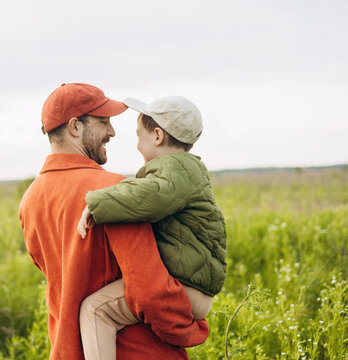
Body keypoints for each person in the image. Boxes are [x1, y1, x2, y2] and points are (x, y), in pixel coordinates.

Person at [19, 83, 209, 360]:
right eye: (103, 122)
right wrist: (190, 329)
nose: (112, 131)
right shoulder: (115, 192)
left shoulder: (30, 200)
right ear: (75, 127)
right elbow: (149, 290)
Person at [76, 95, 227, 360]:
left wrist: (97, 204)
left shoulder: (175, 170)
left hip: (186, 288)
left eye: (138, 135)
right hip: (192, 285)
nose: (137, 144)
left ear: (157, 136)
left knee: (95, 310)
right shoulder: (184, 169)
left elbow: (153, 195)